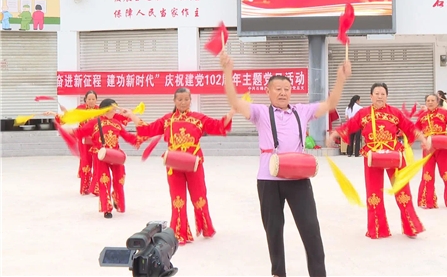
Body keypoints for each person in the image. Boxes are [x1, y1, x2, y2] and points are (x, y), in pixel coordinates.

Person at [221, 51, 350, 277]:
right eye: (277, 89)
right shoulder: (260, 112)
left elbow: (331, 103)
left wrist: (340, 79)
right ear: (268, 91)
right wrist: (227, 71)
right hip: (268, 178)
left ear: (292, 91)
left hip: (298, 177)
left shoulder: (302, 110)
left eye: (286, 89)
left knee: (311, 230)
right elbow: (234, 101)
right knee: (274, 232)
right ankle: (278, 273)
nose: (282, 93)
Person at [124, 87, 234, 245]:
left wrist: (231, 113)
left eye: (186, 99)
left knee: (199, 197)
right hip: (174, 165)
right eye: (180, 99)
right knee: (178, 200)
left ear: (191, 100)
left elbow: (217, 126)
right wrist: (133, 116)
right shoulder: (167, 120)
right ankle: (179, 234)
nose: (183, 102)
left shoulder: (198, 118)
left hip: (194, 163)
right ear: (174, 101)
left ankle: (205, 228)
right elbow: (148, 130)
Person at [328, 82, 430, 239]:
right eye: (377, 93)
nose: (380, 96)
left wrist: (423, 138)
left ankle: (411, 227)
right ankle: (377, 229)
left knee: (403, 191)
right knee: (373, 193)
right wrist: (335, 134)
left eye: (383, 94)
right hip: (372, 155)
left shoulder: (394, 112)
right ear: (371, 96)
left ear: (387, 96)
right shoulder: (363, 113)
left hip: (394, 154)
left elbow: (409, 127)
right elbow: (350, 125)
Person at [65, 99, 141, 218]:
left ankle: (118, 201)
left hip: (115, 155)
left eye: (115, 109)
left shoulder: (117, 123)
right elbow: (81, 132)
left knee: (120, 179)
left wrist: (141, 138)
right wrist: (69, 131)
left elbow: (128, 137)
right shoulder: (95, 122)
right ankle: (107, 209)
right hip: (101, 155)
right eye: (112, 109)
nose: (114, 111)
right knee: (104, 180)